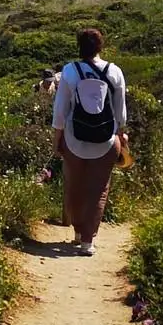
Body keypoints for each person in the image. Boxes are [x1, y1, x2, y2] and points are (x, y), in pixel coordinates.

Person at [50, 27, 128, 255]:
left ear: (79, 47)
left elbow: (60, 111)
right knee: (98, 190)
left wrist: (57, 141)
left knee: (74, 186)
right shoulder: (114, 72)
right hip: (106, 140)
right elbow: (121, 112)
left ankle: (77, 230)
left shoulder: (70, 71)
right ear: (101, 46)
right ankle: (87, 241)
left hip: (75, 138)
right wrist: (121, 135)